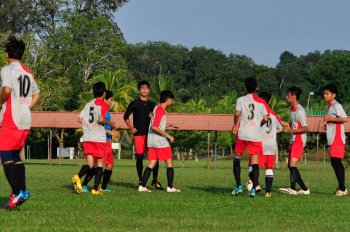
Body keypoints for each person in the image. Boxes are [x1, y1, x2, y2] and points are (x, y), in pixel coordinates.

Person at [0, 36, 40, 210]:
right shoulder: (27, 72)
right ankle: (22, 190)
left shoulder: (7, 69)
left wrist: (1, 101)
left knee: (5, 156)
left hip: (11, 118)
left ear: (7, 53)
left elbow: (7, 90)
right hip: (25, 117)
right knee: (16, 155)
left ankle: (17, 193)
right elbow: (37, 94)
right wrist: (26, 106)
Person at [72, 82, 114, 195]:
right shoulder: (103, 105)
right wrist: (110, 123)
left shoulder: (87, 104)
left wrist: (89, 125)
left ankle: (78, 176)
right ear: (104, 93)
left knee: (91, 164)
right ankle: (95, 189)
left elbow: (79, 119)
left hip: (87, 137)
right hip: (98, 138)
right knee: (100, 163)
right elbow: (101, 119)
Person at [232, 77, 268, 198]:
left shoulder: (240, 100)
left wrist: (235, 126)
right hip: (255, 134)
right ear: (257, 88)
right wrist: (258, 124)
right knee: (254, 162)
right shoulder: (261, 102)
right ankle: (253, 189)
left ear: (244, 87)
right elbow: (266, 118)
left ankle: (238, 186)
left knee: (237, 158)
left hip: (242, 133)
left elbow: (237, 114)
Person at [124, 80, 163, 190]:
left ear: (149, 90)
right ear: (139, 90)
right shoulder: (135, 103)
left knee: (155, 158)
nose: (144, 90)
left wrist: (152, 117)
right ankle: (141, 180)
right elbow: (126, 116)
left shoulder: (152, 104)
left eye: (146, 88)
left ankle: (155, 180)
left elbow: (156, 118)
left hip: (151, 134)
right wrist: (131, 128)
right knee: (140, 158)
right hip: (139, 135)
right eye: (142, 88)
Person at [138, 90, 180, 193]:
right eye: (171, 100)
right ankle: (170, 187)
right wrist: (168, 135)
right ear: (168, 100)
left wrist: (169, 126)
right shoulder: (161, 110)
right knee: (169, 161)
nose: (172, 102)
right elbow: (154, 126)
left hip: (151, 141)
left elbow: (157, 124)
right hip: (160, 141)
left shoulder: (156, 108)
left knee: (152, 163)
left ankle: (142, 186)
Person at [81, 90, 120, 193]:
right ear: (105, 98)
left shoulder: (106, 111)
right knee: (97, 165)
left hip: (105, 140)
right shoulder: (100, 108)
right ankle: (85, 184)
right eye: (111, 100)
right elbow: (97, 123)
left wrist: (112, 130)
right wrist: (110, 131)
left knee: (108, 164)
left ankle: (102, 187)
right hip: (100, 140)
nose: (112, 102)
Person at [247, 92, 283, 197]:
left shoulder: (258, 113)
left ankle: (256, 185)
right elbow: (280, 128)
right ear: (270, 101)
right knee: (269, 168)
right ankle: (268, 192)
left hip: (260, 144)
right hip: (271, 145)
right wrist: (272, 133)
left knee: (252, 166)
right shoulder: (273, 114)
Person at [279, 87, 310, 195]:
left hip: (299, 140)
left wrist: (290, 130)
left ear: (294, 97)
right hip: (293, 140)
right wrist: (282, 123)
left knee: (292, 164)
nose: (286, 97)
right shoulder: (292, 110)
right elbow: (292, 124)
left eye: (288, 95)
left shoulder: (300, 111)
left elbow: (306, 128)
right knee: (290, 166)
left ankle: (300, 189)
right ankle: (298, 189)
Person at [322, 83, 348, 196]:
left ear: (333, 95)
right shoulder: (330, 106)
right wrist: (328, 123)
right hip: (333, 138)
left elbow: (345, 119)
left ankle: (342, 188)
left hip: (337, 137)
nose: (325, 96)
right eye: (324, 94)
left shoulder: (336, 105)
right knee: (335, 162)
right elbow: (335, 120)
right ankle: (341, 187)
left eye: (327, 94)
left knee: (336, 162)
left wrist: (330, 118)